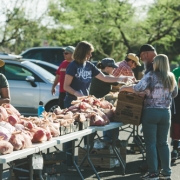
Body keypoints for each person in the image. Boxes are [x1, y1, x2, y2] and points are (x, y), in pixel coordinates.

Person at [63, 41, 132, 166]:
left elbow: (105, 78)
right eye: (89, 53)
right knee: (70, 132)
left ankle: (86, 156)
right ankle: (68, 160)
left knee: (89, 130)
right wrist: (77, 94)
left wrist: (121, 78)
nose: (90, 56)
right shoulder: (73, 66)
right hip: (72, 103)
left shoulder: (89, 65)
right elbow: (66, 86)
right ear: (83, 52)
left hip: (85, 104)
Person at [120, 54, 178, 180]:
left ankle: (153, 173)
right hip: (165, 113)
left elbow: (138, 88)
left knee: (150, 144)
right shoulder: (171, 76)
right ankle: (167, 172)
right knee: (163, 143)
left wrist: (124, 88)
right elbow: (174, 93)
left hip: (151, 112)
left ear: (156, 63)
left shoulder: (151, 75)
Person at [90, 58, 119, 142]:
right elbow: (117, 82)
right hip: (98, 104)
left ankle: (109, 140)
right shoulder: (104, 75)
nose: (114, 69)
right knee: (109, 122)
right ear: (106, 68)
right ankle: (109, 141)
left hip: (98, 103)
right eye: (112, 67)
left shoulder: (100, 74)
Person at [171, 67, 180, 163]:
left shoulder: (175, 71)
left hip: (176, 117)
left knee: (176, 135)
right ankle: (175, 150)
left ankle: (175, 151)